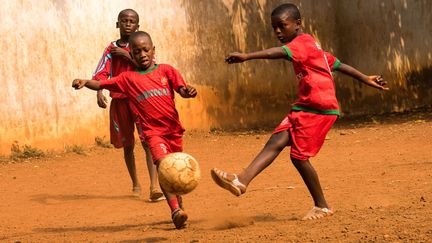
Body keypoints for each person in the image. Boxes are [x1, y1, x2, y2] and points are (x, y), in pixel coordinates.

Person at [211, 3, 389, 220]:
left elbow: (278, 53)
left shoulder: (301, 43)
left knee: (299, 157)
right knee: (276, 141)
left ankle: (322, 206)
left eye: (282, 26)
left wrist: (248, 56)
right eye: (274, 27)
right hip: (306, 106)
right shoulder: (312, 45)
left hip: (319, 109)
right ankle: (241, 180)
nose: (277, 31)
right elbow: (338, 64)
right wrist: (366, 78)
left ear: (298, 24)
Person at [73, 31, 197, 229]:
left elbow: (182, 90)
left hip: (173, 131)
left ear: (153, 50)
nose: (142, 54)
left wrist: (188, 91)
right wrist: (85, 82)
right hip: (152, 133)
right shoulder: (128, 78)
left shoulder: (167, 71)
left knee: (176, 169)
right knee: (164, 167)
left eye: (146, 50)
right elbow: (102, 83)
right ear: (131, 53)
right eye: (137, 51)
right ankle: (174, 210)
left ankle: (179, 205)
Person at [92, 9, 164, 201]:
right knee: (127, 145)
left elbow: (149, 67)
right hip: (120, 102)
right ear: (118, 24)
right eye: (124, 21)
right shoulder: (111, 49)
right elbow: (101, 72)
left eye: (132, 21)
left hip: (140, 100)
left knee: (148, 142)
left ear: (137, 26)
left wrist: (126, 55)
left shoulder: (141, 46)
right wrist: (99, 91)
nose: (128, 24)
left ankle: (154, 186)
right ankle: (135, 184)